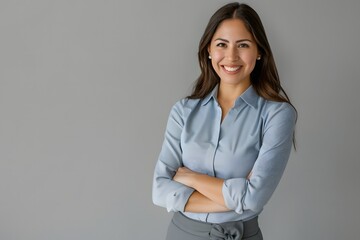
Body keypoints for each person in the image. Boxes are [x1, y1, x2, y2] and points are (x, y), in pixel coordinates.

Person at [152, 2, 297, 240]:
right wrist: (240, 196)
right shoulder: (183, 111)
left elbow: (255, 198)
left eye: (243, 45)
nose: (231, 56)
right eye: (222, 44)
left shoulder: (277, 115)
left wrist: (191, 178)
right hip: (182, 234)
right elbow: (159, 191)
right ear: (209, 49)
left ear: (259, 51)